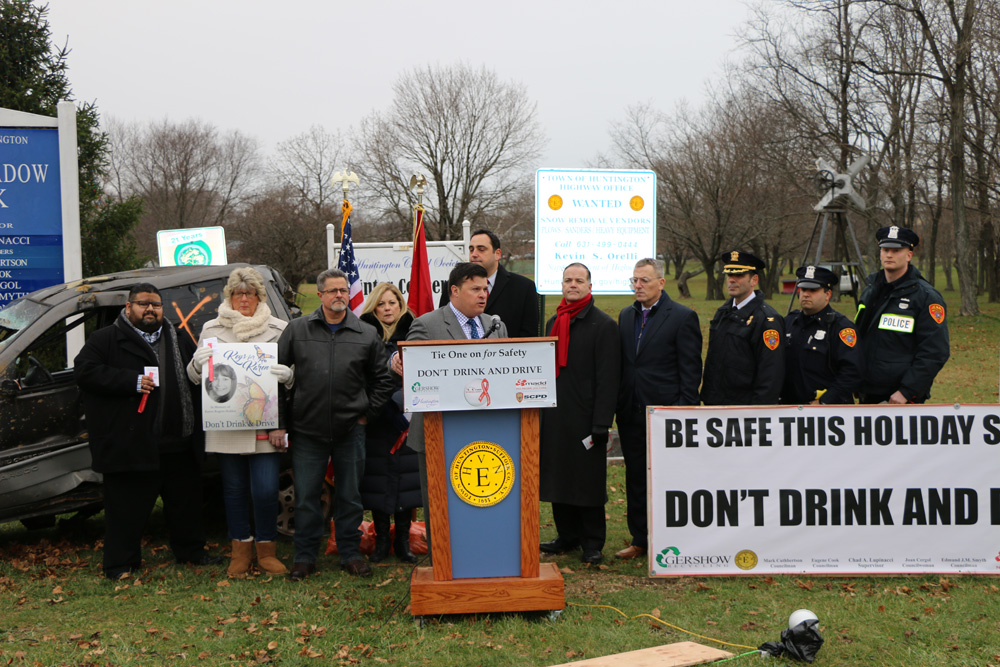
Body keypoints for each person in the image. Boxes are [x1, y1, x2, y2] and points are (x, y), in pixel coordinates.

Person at [74, 283, 220, 580]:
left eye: (155, 304)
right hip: (133, 444)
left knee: (186, 506)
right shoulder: (106, 339)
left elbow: (196, 376)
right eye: (143, 304)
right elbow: (85, 372)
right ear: (128, 308)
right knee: (126, 510)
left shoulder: (178, 337)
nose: (150, 309)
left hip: (179, 442)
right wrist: (131, 380)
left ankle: (191, 553)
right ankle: (120, 565)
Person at [271, 268, 394, 580]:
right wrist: (281, 424)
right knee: (307, 497)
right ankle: (304, 557)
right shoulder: (297, 330)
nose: (339, 296)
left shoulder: (365, 334)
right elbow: (275, 378)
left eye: (344, 291)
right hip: (307, 431)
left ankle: (350, 553)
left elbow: (383, 380)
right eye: (332, 291)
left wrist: (367, 413)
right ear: (321, 295)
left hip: (351, 429)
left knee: (351, 497)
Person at [392, 262, 509, 553]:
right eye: (475, 289)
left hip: (488, 430)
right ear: (454, 291)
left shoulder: (496, 325)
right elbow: (413, 369)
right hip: (439, 430)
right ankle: (444, 556)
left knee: (483, 493)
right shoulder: (428, 324)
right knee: (441, 500)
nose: (483, 295)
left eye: (485, 289)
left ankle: (485, 549)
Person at [185, 267, 294, 578]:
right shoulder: (211, 328)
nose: (244, 299)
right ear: (229, 297)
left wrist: (289, 376)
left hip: (265, 423)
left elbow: (296, 374)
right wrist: (198, 362)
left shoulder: (279, 328)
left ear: (259, 296)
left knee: (264, 489)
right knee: (233, 490)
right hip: (226, 425)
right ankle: (240, 550)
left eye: (250, 293)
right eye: (238, 293)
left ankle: (266, 549)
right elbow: (194, 378)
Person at [614, 258, 702, 560]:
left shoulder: (681, 317)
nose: (638, 286)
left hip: (665, 415)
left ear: (661, 283)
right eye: (634, 280)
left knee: (669, 479)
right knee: (636, 478)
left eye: (644, 281)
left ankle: (673, 539)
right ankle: (641, 539)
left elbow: (690, 370)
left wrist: (681, 413)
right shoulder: (626, 316)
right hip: (631, 412)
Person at [539, 263, 620, 564]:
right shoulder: (552, 322)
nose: (572, 285)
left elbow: (609, 377)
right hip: (556, 416)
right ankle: (567, 536)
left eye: (579, 280)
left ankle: (592, 542)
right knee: (558, 478)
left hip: (587, 418)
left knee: (586, 483)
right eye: (567, 280)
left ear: (589, 286)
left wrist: (602, 422)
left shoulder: (604, 325)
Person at [358, 283, 420, 564]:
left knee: (406, 483)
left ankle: (403, 541)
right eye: (381, 304)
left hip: (408, 422)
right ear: (374, 308)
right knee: (378, 483)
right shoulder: (363, 338)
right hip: (377, 422)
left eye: (392, 303)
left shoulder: (416, 335)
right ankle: (382, 539)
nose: (387, 308)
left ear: (400, 305)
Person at [855, 226, 950, 403]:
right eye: (885, 250)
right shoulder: (871, 291)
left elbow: (935, 352)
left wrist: (907, 391)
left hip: (901, 398)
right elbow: (861, 337)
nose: (889, 255)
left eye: (896, 250)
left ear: (909, 255)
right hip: (868, 391)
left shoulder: (926, 297)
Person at [701, 250, 785, 406]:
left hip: (745, 410)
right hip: (716, 405)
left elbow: (771, 373)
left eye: (739, 276)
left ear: (754, 280)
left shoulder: (767, 320)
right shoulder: (723, 313)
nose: (732, 280)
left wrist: (758, 412)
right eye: (729, 275)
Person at [782, 265, 863, 405]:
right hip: (790, 409)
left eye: (813, 290)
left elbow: (852, 373)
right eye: (803, 289)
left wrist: (825, 401)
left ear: (828, 294)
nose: (806, 294)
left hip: (827, 413)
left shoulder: (840, 327)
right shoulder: (789, 322)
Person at [439, 229, 539, 337]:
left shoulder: (524, 287)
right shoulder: (453, 286)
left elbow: (529, 338)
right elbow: (443, 326)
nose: (474, 254)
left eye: (481, 249)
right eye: (471, 250)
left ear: (497, 254)